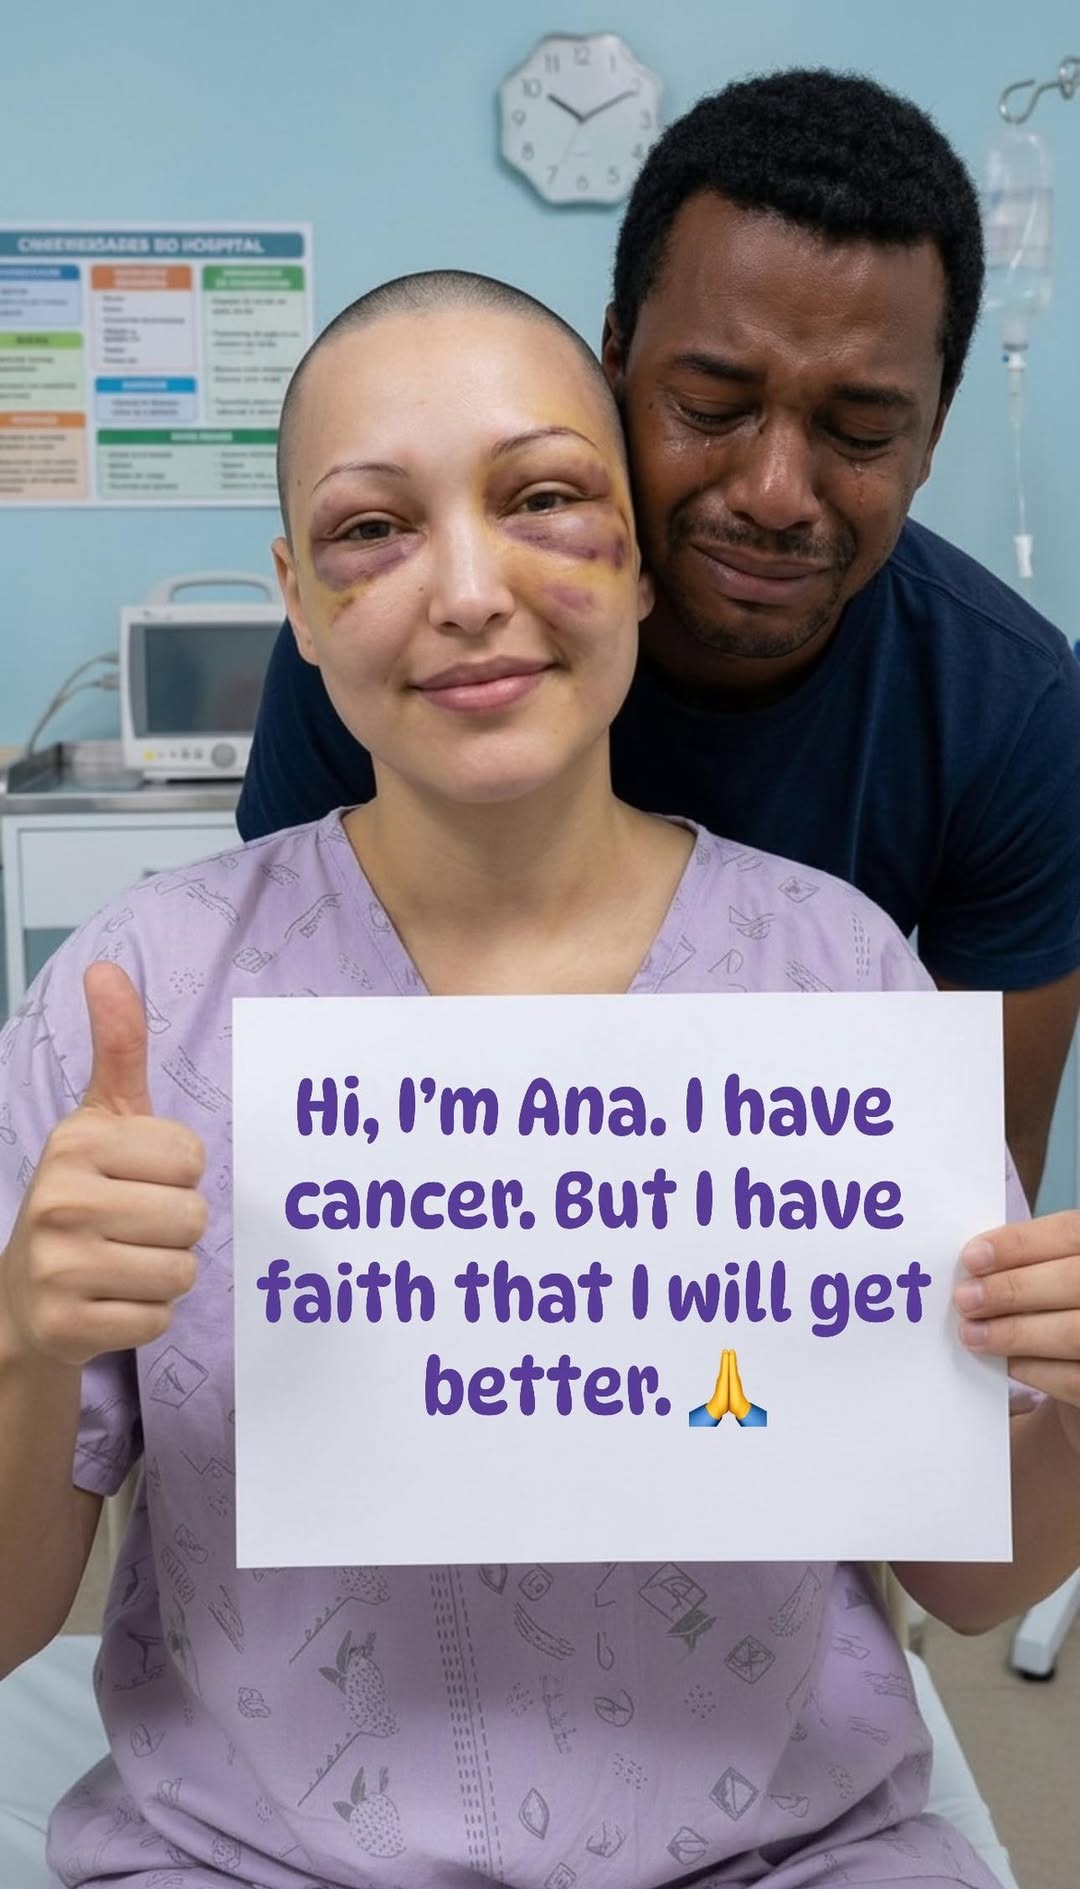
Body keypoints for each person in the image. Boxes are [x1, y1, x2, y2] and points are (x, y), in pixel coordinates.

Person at [3, 272, 1080, 1889]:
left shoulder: (835, 978)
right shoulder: (141, 1004)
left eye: (546, 498)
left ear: (638, 559)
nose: (468, 589)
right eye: (373, 528)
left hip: (787, 1853)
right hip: (250, 1860)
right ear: (299, 599)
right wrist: (25, 1343)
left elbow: (974, 1582)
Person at [237, 69, 1080, 1210]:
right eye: (712, 408)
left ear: (933, 431)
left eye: (860, 430)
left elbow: (973, 1184)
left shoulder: (1006, 709)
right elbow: (302, 1029)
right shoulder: (420, 652)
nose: (776, 493)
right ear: (615, 365)